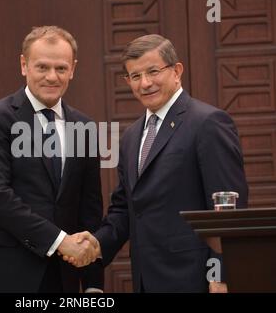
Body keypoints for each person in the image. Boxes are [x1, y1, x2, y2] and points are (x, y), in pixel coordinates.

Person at [64, 34, 248, 293]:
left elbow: (228, 208)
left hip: (197, 280)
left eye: (153, 71)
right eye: (135, 76)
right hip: (146, 280)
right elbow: (125, 210)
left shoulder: (208, 123)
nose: (145, 83)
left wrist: (222, 274)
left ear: (177, 71)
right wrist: (95, 243)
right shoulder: (130, 137)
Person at [0, 26, 103, 293]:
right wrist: (60, 241)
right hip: (3, 275)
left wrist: (93, 283)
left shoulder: (85, 126)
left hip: (63, 279)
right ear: (24, 65)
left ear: (72, 69)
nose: (52, 77)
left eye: (61, 68)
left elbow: (89, 209)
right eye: (42, 67)